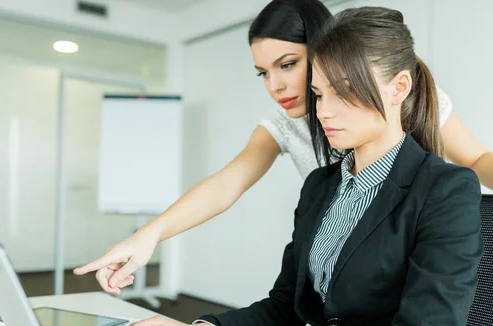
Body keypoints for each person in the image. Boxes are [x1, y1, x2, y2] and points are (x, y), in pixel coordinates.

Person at [105, 7, 483, 326]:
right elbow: (287, 306)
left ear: (399, 87)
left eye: (345, 90)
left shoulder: (445, 191)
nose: (325, 110)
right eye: (319, 93)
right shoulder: (321, 185)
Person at [73, 0, 492, 295]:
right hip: (352, 276)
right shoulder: (284, 126)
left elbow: (475, 159)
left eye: (288, 64)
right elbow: (226, 184)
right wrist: (149, 236)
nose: (275, 86)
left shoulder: (404, 96)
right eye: (263, 73)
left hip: (421, 262)